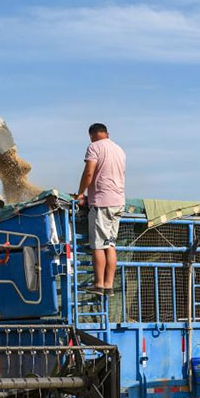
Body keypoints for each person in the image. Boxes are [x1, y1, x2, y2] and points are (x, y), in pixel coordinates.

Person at [75, 123, 126, 296]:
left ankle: (98, 284)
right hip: (118, 203)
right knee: (110, 245)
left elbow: (89, 173)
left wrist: (80, 193)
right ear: (107, 134)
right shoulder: (119, 150)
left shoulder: (94, 147)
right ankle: (108, 285)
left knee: (98, 245)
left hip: (102, 202)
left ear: (91, 135)